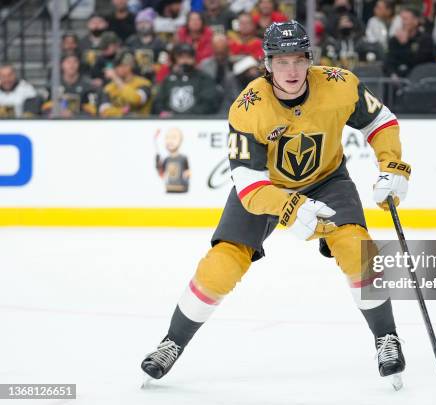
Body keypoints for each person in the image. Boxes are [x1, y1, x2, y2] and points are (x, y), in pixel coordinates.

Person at [141, 20, 411, 387]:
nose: (292, 70)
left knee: (355, 247)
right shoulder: (247, 107)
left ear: (309, 59)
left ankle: (386, 337)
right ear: (266, 64)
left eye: (299, 59)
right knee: (222, 263)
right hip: (266, 188)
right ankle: (172, 342)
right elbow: (249, 184)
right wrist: (291, 208)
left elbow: (380, 120)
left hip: (328, 180)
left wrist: (392, 166)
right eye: (281, 61)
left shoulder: (338, 84)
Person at [152, 43, 222, 116]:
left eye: (189, 57)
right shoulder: (168, 79)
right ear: (175, 59)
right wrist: (162, 112)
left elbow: (209, 103)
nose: (185, 61)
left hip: (197, 122)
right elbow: (158, 102)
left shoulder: (204, 79)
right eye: (181, 57)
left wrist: (185, 115)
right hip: (171, 123)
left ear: (194, 59)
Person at [384, 6, 435, 78]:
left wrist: (405, 44)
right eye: (400, 19)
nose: (402, 23)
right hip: (398, 80)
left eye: (405, 19)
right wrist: (392, 74)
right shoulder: (394, 40)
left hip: (420, 80)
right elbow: (389, 60)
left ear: (416, 21)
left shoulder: (425, 39)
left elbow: (418, 61)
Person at [98, 50, 153, 117]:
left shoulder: (144, 84)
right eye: (116, 66)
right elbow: (103, 111)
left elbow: (136, 100)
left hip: (140, 125)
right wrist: (122, 111)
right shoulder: (109, 88)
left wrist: (116, 79)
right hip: (116, 125)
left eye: (119, 66)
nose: (116, 69)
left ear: (129, 66)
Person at [125, 7, 169, 82]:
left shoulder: (160, 42)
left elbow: (163, 61)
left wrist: (155, 67)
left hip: (155, 77)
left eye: (145, 22)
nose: (142, 25)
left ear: (151, 24)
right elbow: (126, 60)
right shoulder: (131, 41)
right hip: (134, 77)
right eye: (140, 23)